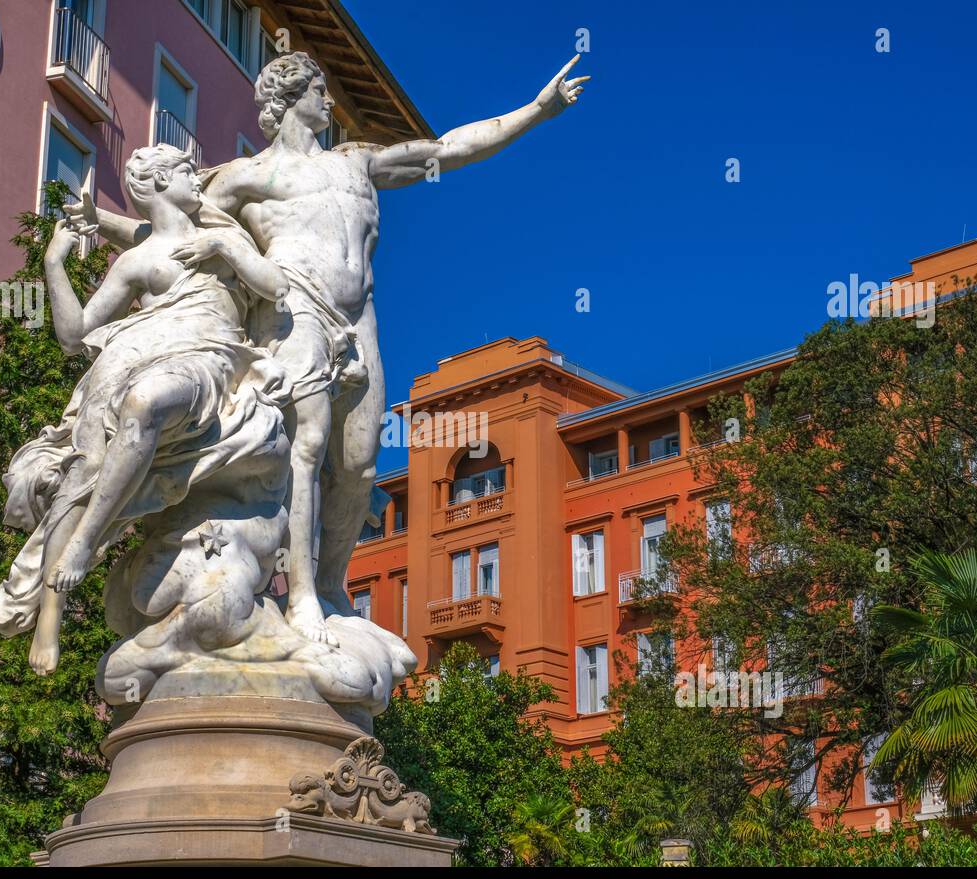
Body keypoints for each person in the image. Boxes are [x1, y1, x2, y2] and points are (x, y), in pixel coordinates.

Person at [67, 51, 588, 645]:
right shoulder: (247, 177)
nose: (331, 101)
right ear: (291, 99)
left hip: (357, 316)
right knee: (306, 448)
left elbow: (446, 150)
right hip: (294, 310)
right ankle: (302, 595)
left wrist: (537, 111)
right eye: (320, 89)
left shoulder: (357, 163)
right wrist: (104, 221)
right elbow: (169, 227)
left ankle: (334, 583)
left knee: (361, 461)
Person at [0, 144, 291, 675]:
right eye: (187, 172)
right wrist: (54, 263)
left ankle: (80, 550)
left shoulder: (225, 235)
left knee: (147, 402)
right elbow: (75, 337)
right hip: (126, 361)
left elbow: (275, 286)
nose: (198, 179)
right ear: (157, 183)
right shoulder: (138, 259)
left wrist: (223, 245)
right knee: (84, 473)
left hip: (204, 357)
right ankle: (51, 612)